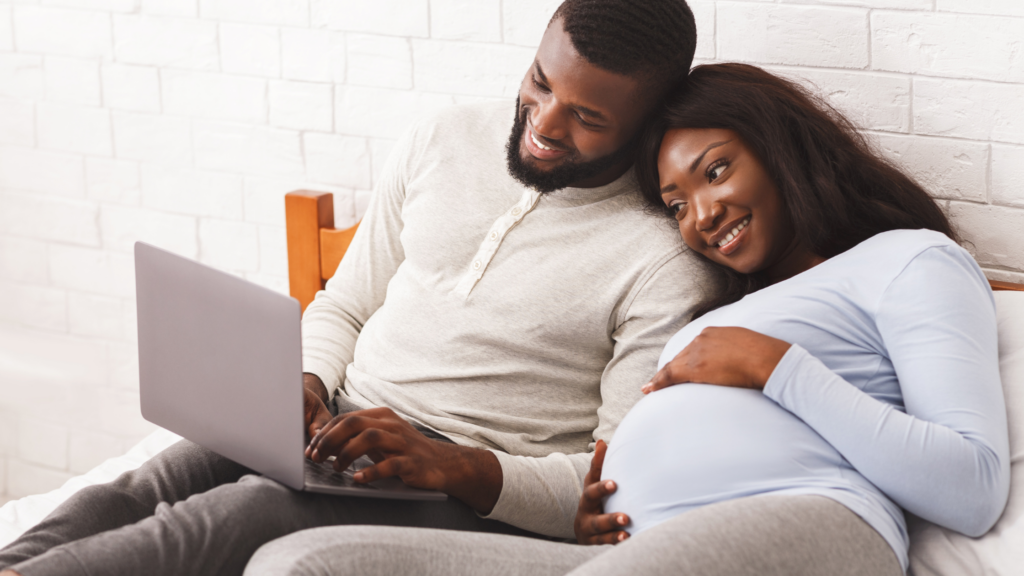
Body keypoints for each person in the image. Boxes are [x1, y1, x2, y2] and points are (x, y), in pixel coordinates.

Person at [0, 2, 712, 576]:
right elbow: (345, 302)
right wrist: (307, 381)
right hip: (339, 422)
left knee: (245, 513)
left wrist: (452, 465)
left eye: (588, 118)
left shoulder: (662, 260)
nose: (544, 125)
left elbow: (609, 480)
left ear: (647, 123)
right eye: (540, 82)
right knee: (144, 485)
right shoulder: (443, 138)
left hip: (462, 488)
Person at [241, 63, 1010, 576]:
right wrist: (596, 500)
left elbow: (972, 487)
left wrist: (775, 366)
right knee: (298, 565)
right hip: (626, 548)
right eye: (676, 205)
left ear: (783, 149)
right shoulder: (719, 308)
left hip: (815, 522)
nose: (702, 215)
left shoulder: (909, 260)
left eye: (716, 171)